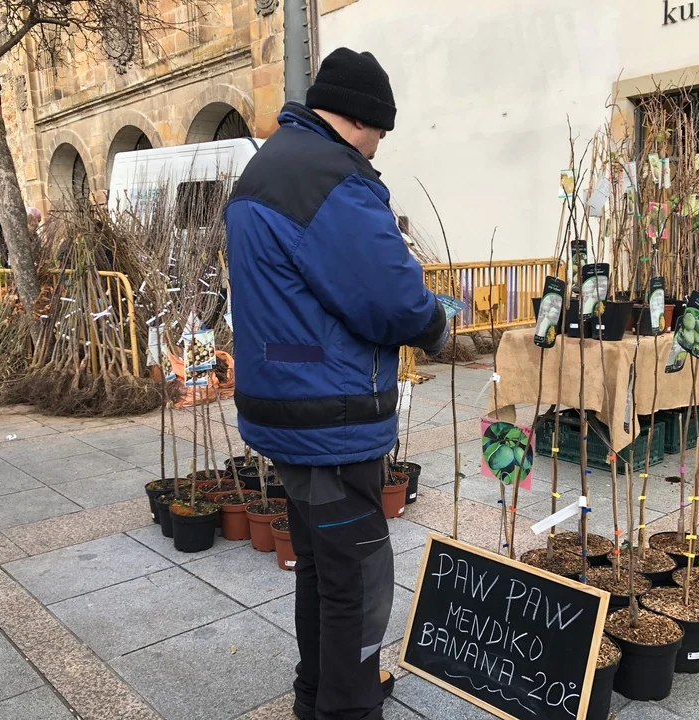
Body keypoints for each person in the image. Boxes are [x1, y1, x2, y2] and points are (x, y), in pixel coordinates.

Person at [225, 48, 448, 720]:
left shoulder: (269, 165)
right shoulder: (330, 177)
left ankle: (317, 695)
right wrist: (436, 324)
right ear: (361, 120)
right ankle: (348, 707)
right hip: (331, 414)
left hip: (286, 403)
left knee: (322, 568)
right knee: (358, 579)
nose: (377, 149)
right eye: (380, 133)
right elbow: (391, 298)